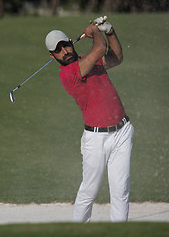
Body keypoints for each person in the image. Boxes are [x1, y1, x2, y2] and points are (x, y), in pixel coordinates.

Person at [45, 16, 134, 222]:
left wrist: (109, 31)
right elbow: (100, 48)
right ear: (52, 56)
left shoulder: (89, 61)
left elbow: (117, 57)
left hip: (122, 132)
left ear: (70, 43)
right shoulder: (68, 74)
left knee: (121, 192)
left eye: (66, 45)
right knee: (89, 192)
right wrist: (95, 31)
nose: (65, 52)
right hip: (96, 140)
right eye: (58, 50)